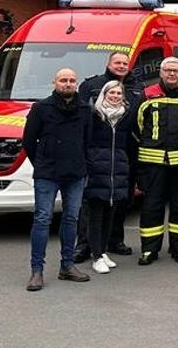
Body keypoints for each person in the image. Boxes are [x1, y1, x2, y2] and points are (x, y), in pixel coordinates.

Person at [24, 68, 91, 291]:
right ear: (54, 82)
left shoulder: (84, 109)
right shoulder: (41, 108)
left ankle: (67, 266)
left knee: (71, 218)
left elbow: (87, 141)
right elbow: (28, 142)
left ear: (76, 84)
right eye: (63, 80)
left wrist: (83, 166)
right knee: (42, 219)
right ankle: (37, 271)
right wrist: (42, 163)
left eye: (72, 80)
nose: (68, 84)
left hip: (75, 174)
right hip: (47, 173)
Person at [74, 50, 144, 263]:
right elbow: (82, 121)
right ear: (109, 63)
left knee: (120, 201)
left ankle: (114, 240)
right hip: (98, 154)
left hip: (125, 153)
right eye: (117, 62)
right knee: (92, 203)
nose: (122, 66)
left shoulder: (137, 89)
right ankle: (84, 245)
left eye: (125, 63)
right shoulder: (91, 86)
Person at [134, 57, 178, 265]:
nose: (171, 74)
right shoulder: (147, 94)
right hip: (152, 163)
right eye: (167, 71)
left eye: (175, 71)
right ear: (161, 72)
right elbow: (137, 127)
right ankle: (149, 250)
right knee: (151, 206)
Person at [83, 81, 135, 274]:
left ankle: (102, 251)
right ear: (103, 95)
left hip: (117, 170)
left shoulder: (126, 116)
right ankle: (96, 256)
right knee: (96, 215)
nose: (115, 96)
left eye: (118, 93)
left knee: (110, 215)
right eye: (111, 93)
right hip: (97, 169)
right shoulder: (93, 115)